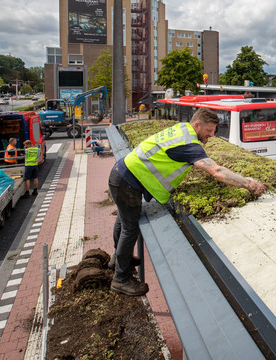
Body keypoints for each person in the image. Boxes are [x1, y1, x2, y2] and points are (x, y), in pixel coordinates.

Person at [108, 107, 267, 296]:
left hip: (122, 174)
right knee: (129, 227)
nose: (211, 135)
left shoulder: (182, 128)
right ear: (197, 125)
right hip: (127, 183)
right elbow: (217, 171)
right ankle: (121, 278)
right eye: (208, 131)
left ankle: (117, 259)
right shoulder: (188, 144)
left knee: (124, 220)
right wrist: (249, 184)